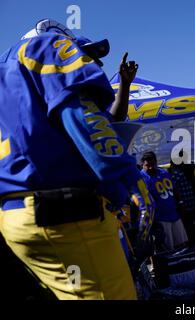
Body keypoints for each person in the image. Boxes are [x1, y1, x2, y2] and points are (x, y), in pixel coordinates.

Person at [0, 19, 154, 299]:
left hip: (16, 218)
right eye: (87, 56)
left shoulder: (9, 75)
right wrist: (128, 179)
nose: (92, 64)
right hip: (65, 216)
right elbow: (85, 117)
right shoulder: (45, 45)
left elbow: (106, 119)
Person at [140, 151, 188, 252]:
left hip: (174, 214)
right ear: (142, 164)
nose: (150, 168)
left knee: (182, 244)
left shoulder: (164, 172)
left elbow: (174, 188)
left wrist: (180, 202)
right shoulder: (141, 178)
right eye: (147, 165)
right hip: (160, 218)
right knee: (168, 248)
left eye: (152, 164)